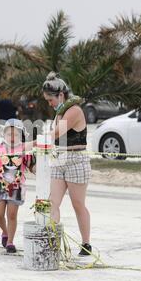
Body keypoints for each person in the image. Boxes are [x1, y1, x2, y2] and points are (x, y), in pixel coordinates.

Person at [42, 72, 93, 256]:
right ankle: (51, 243)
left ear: (61, 95)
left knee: (78, 204)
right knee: (52, 203)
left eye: (50, 100)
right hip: (59, 159)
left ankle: (86, 243)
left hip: (76, 160)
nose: (50, 103)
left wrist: (33, 140)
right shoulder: (60, 113)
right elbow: (53, 138)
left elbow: (55, 134)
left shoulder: (74, 111)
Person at [0, 119, 35, 254]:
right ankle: (4, 231)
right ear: (3, 135)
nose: (12, 137)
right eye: (9, 134)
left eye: (15, 134)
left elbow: (36, 143)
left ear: (21, 135)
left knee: (11, 214)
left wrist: (47, 140)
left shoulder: (23, 148)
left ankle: (10, 241)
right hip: (0, 186)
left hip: (16, 187)